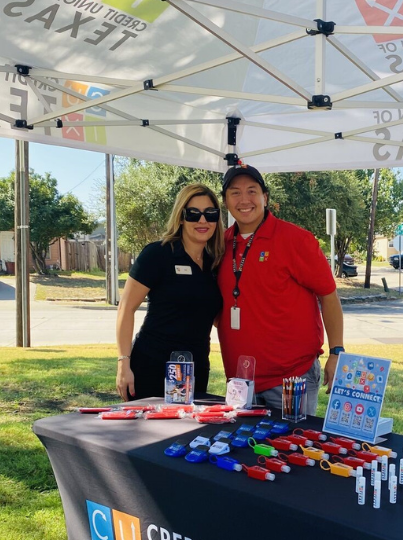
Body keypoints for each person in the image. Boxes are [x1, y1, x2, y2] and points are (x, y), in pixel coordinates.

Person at [216, 163, 344, 415]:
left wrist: (336, 351)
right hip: (240, 382)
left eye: (252, 191)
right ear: (225, 201)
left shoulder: (295, 239)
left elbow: (328, 296)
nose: (244, 199)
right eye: (235, 192)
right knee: (243, 451)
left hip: (291, 380)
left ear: (265, 197)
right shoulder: (219, 244)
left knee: (292, 448)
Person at [116, 183, 224, 401]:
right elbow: (126, 308)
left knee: (188, 434)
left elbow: (215, 317)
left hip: (196, 370)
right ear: (181, 217)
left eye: (210, 214)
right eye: (193, 214)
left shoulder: (215, 263)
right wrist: (123, 363)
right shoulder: (158, 254)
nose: (202, 220)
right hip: (152, 367)